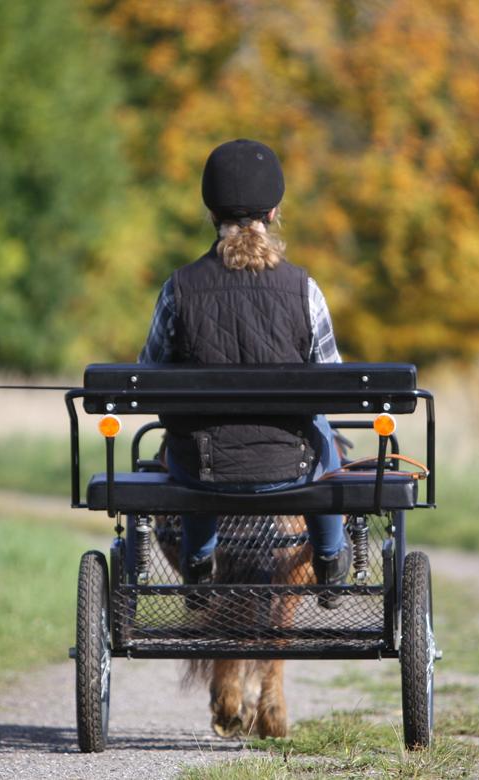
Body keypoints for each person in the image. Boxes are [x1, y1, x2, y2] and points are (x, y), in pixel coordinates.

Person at [137, 138, 349, 607]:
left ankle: (198, 562)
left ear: (211, 214)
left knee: (188, 437)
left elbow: (148, 374)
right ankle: (331, 559)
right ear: (273, 212)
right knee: (322, 433)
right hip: (290, 467)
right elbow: (332, 380)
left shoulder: (178, 288)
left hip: (203, 469)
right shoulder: (304, 289)